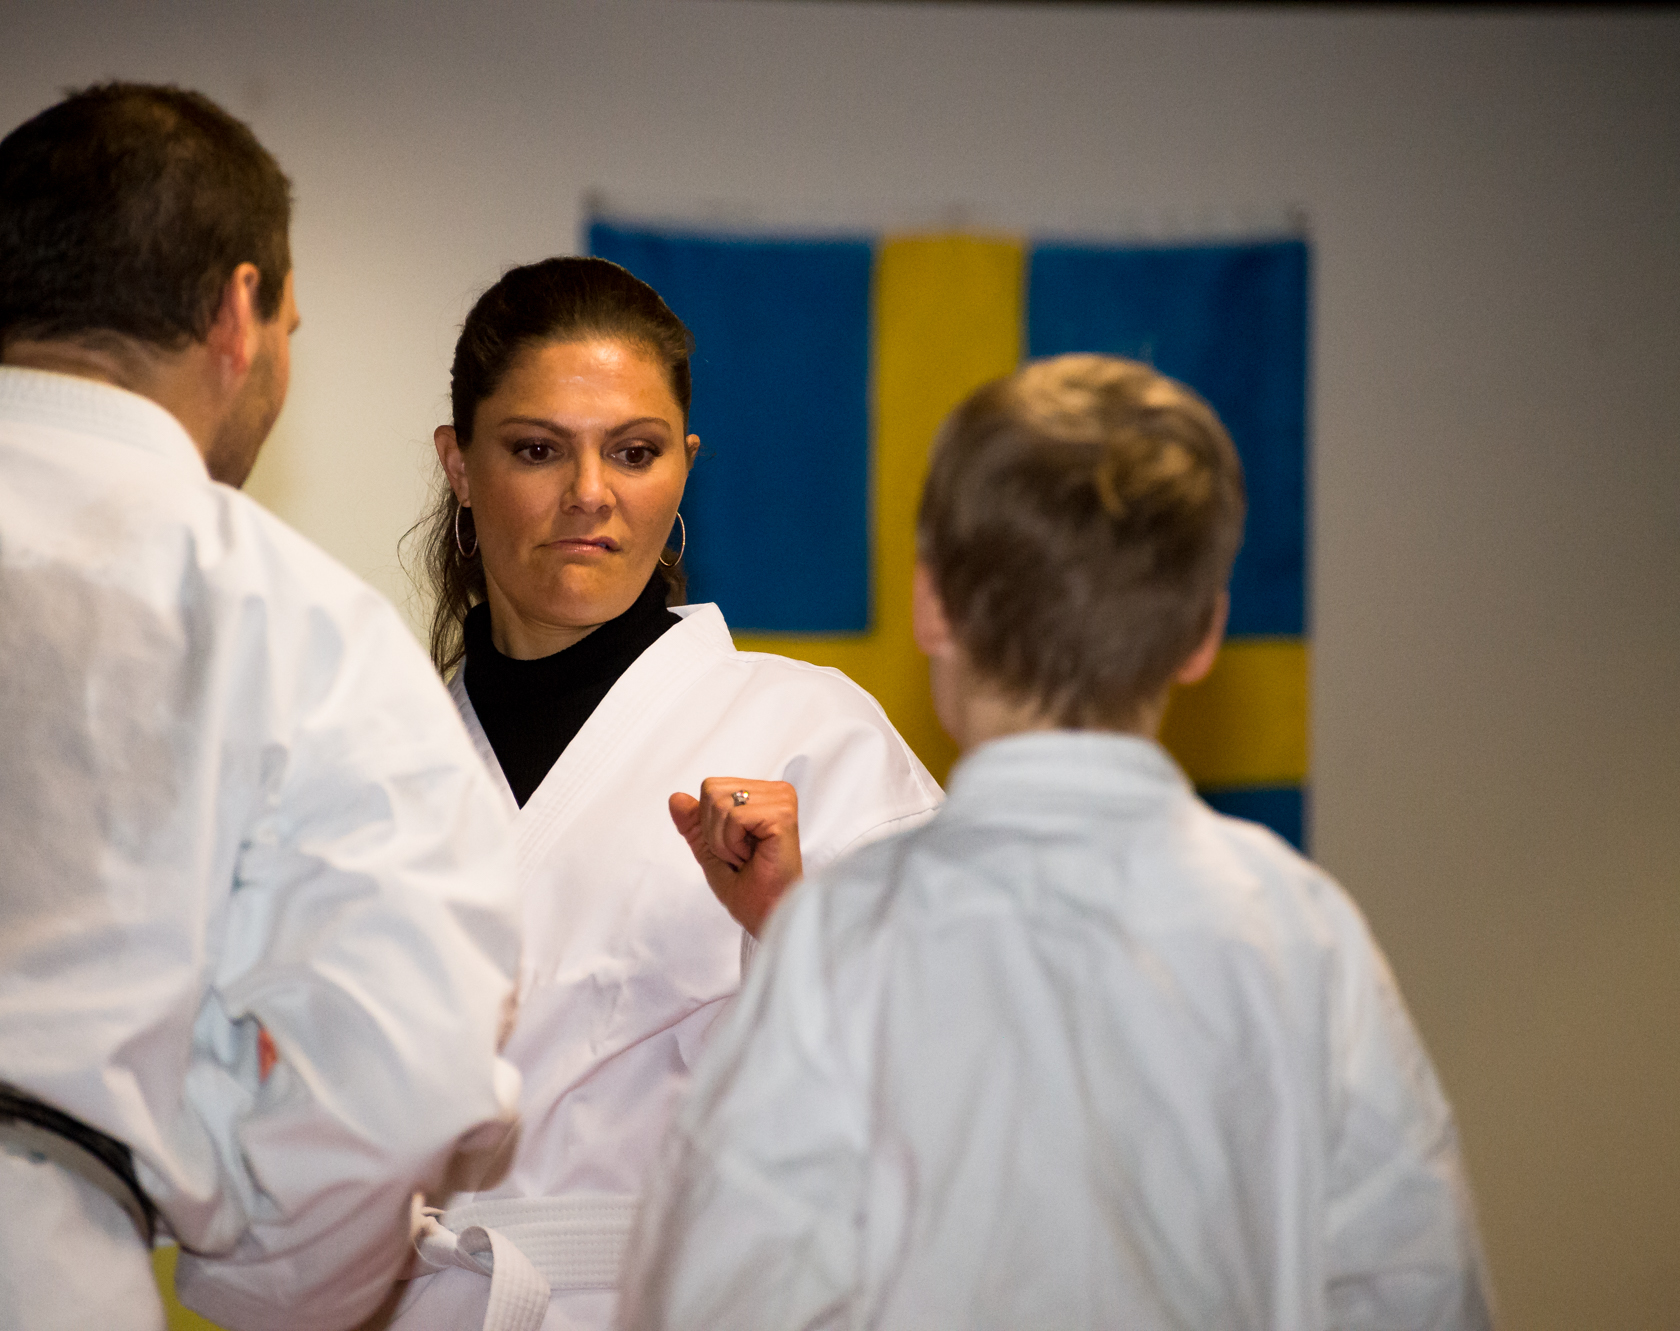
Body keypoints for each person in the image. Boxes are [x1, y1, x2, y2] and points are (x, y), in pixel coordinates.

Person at [0, 83, 521, 1331]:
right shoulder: (283, 612)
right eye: (290, 324)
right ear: (239, 310)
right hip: (3, 1269)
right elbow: (401, 1054)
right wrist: (266, 1287)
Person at [621, 354, 1495, 1330]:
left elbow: (711, 1297)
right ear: (1204, 634)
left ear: (930, 603)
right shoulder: (1302, 931)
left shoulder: (844, 939)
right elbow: (1416, 1290)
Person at [387, 256, 942, 1331]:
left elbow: (949, 1094)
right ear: (459, 463)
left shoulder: (808, 736)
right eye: (536, 449)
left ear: (683, 466)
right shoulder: (377, 766)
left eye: (634, 452)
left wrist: (787, 928)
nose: (589, 493)